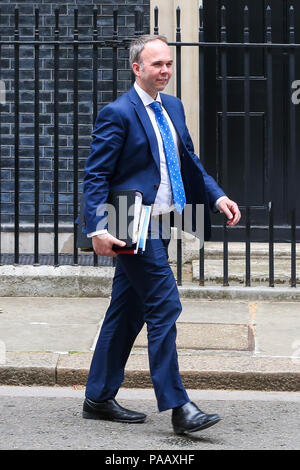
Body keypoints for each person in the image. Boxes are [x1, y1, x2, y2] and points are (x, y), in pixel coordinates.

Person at [82, 34, 241, 434]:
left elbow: (188, 159)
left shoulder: (173, 106)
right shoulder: (117, 112)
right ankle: (178, 406)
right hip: (127, 219)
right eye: (157, 65)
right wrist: (97, 228)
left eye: (168, 64)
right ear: (137, 69)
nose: (165, 71)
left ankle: (98, 397)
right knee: (165, 305)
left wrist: (217, 196)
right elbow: (97, 174)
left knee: (127, 310)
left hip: (163, 221)